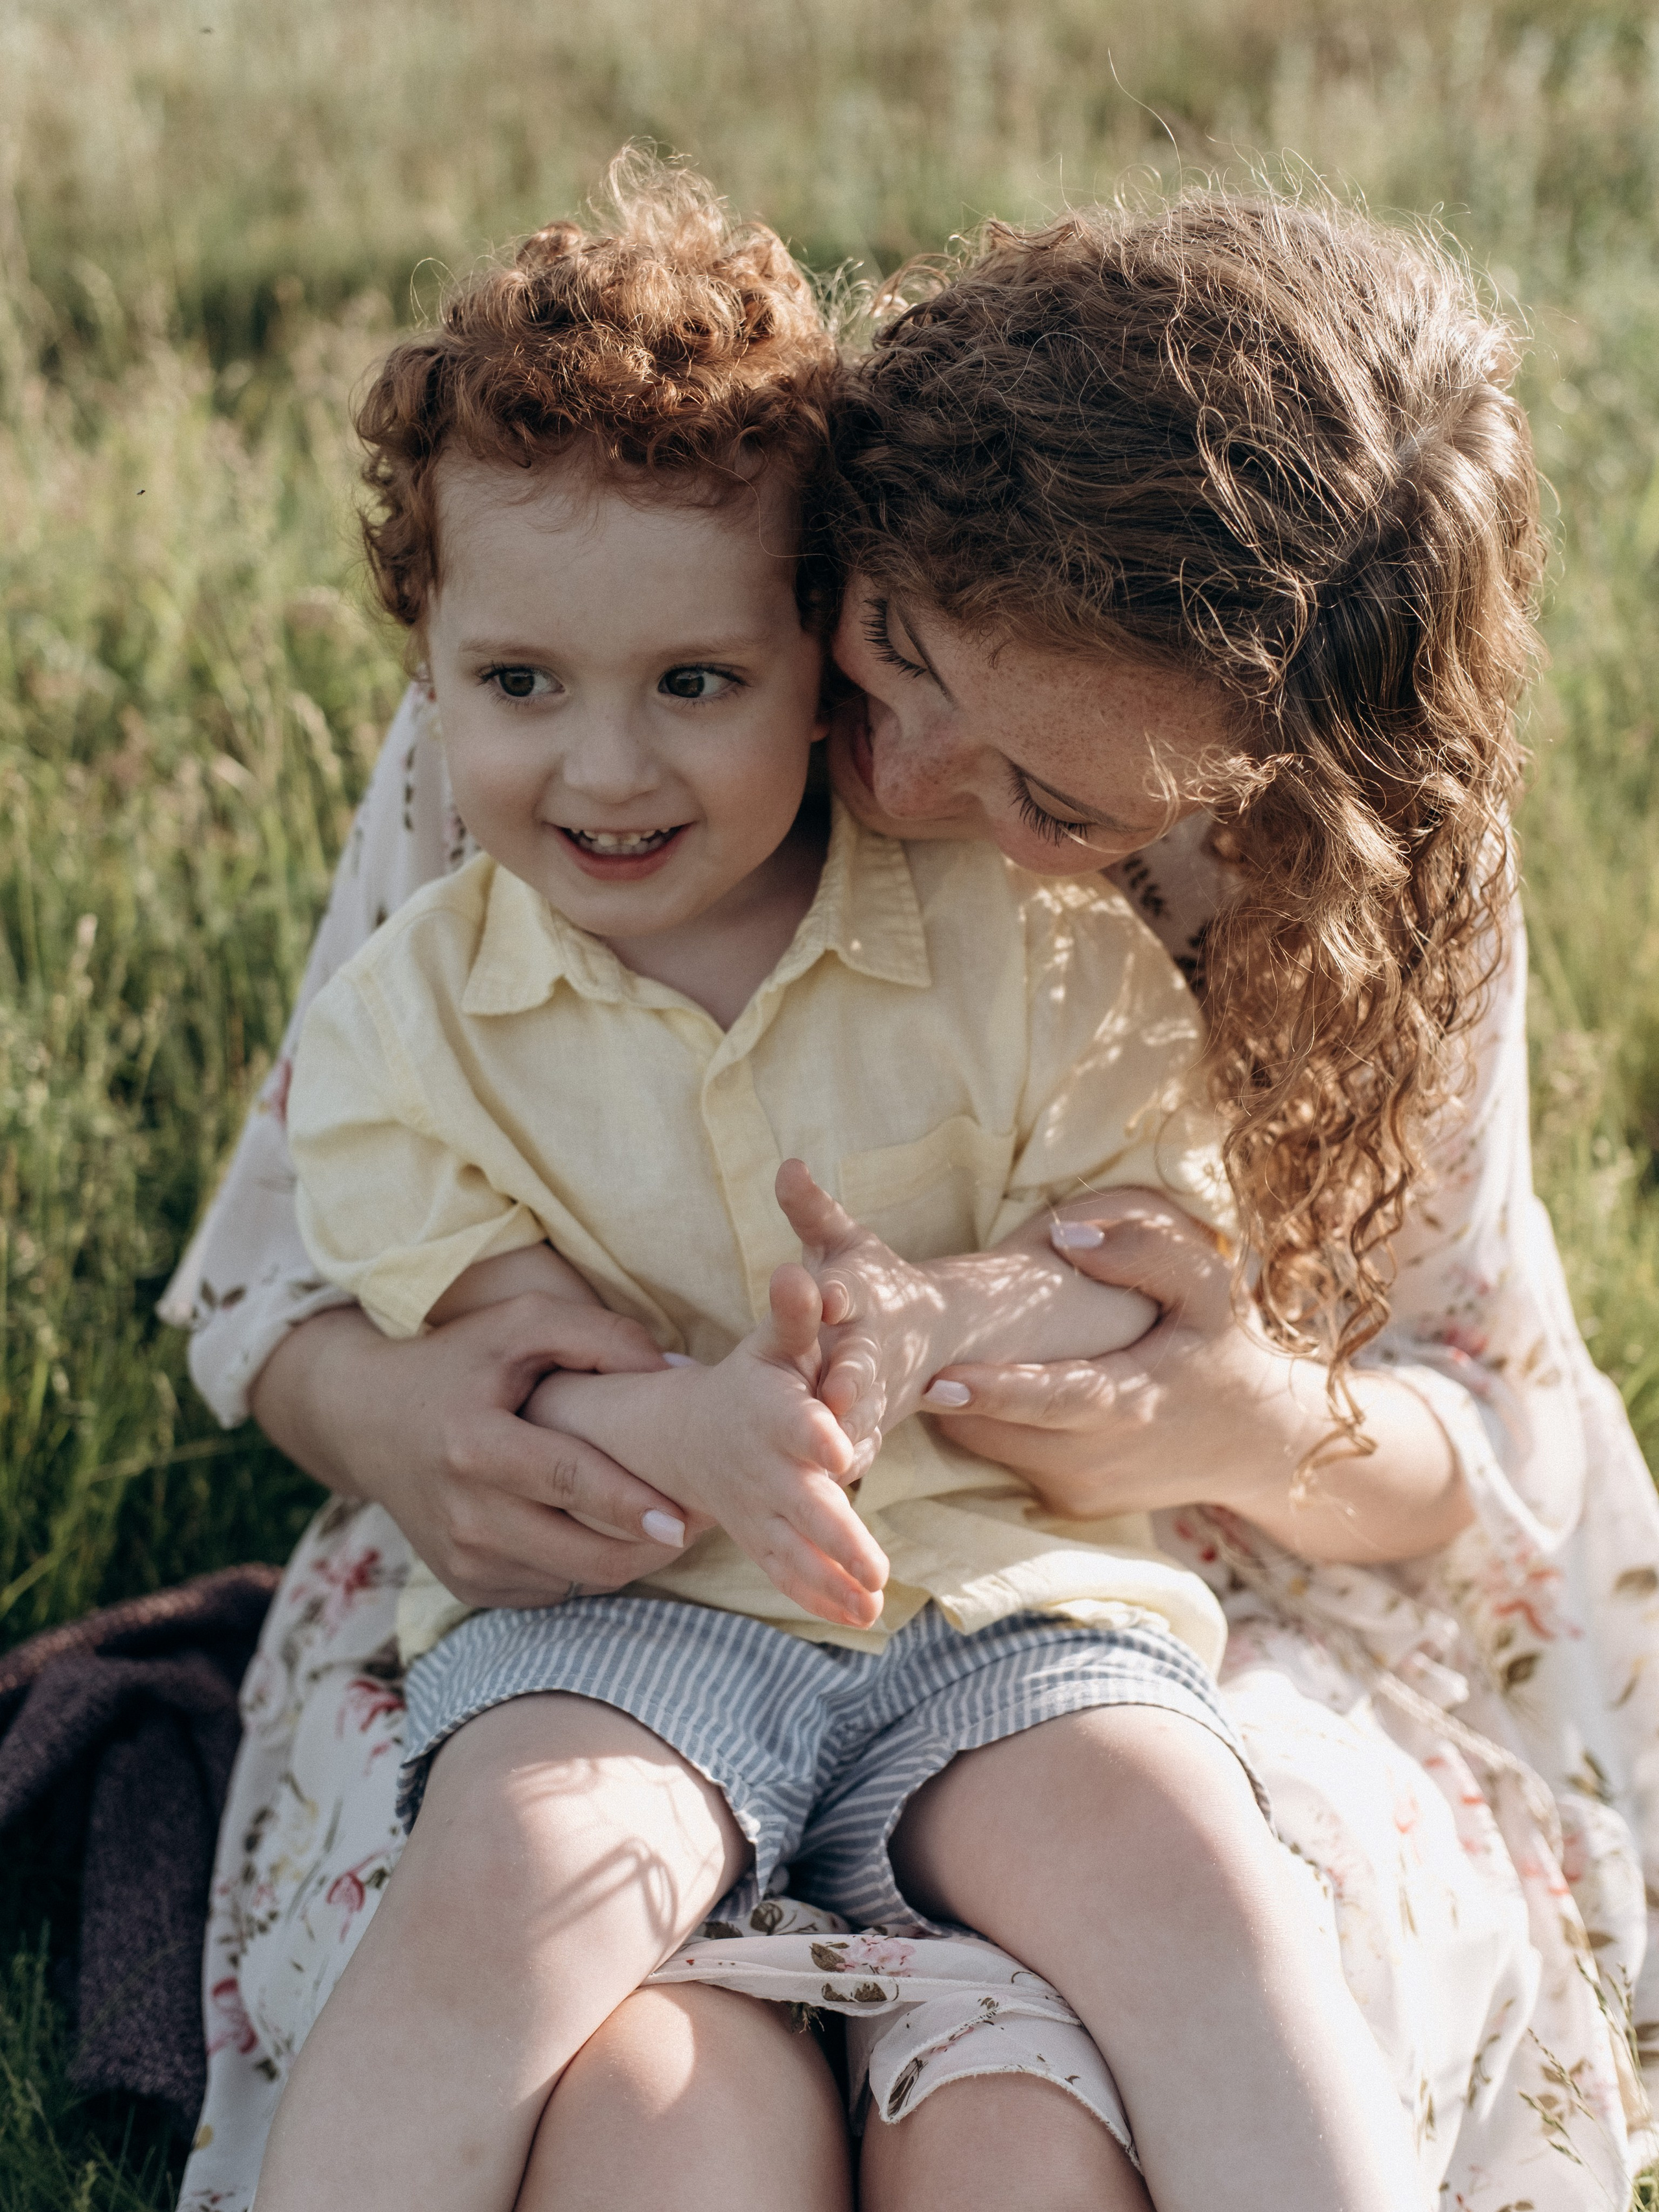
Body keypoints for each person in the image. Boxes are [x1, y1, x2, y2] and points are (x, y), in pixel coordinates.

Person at [168, 178, 1659, 2212]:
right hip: (618, 1576)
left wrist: (1234, 1414)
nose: (909, 788)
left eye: (1054, 803)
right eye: (893, 654)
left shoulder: (1329, 890)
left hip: (1114, 1589)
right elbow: (280, 1274)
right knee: (633, 2082)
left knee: (1050, 2093)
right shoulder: (624, 655)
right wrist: (437, 1424)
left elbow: (1476, 1445)